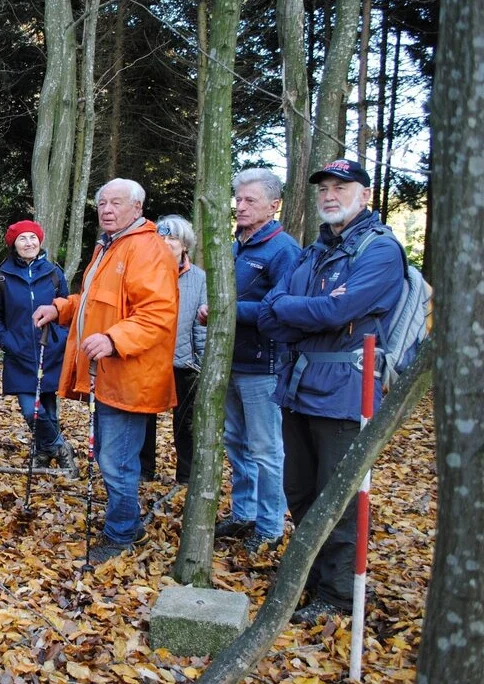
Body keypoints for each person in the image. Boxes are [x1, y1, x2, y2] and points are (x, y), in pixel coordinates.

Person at [259, 159, 405, 625]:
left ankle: (338, 596)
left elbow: (330, 310)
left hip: (346, 392)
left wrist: (299, 309)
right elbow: (268, 312)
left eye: (341, 187)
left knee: (336, 499)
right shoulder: (312, 251)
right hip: (298, 387)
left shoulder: (380, 251)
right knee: (298, 492)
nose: (329, 195)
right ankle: (313, 575)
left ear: (364, 194)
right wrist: (308, 310)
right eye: (323, 187)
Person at [33, 178, 178, 565]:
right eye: (102, 204)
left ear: (138, 207)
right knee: (111, 458)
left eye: (116, 203)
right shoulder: (109, 246)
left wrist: (115, 339)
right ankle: (125, 524)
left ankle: (121, 535)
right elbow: (97, 301)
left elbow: (158, 313)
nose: (108, 210)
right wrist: (62, 309)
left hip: (131, 376)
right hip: (108, 374)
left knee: (116, 460)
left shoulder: (148, 249)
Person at [211, 168, 300, 554]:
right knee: (236, 443)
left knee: (266, 449)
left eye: (250, 200)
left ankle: (269, 526)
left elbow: (278, 308)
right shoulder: (236, 246)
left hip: (263, 367)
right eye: (239, 199)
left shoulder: (284, 250)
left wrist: (225, 310)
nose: (240, 206)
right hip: (230, 361)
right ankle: (243, 513)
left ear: (273, 205)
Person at [0, 219, 77, 476]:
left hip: (50, 351)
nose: (29, 243)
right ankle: (60, 449)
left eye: (33, 238)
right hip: (19, 353)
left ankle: (43, 456)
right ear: (13, 245)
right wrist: (7, 342)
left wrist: (60, 338)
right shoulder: (2, 276)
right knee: (31, 410)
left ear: (40, 241)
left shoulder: (52, 272)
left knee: (49, 409)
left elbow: (65, 308)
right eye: (22, 239)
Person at [138, 215, 206, 485]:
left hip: (184, 363)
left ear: (185, 244)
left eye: (173, 238)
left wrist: (200, 361)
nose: (166, 243)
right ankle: (144, 471)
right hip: (149, 360)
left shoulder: (199, 278)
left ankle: (186, 477)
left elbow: (202, 325)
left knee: (186, 425)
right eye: (162, 237)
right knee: (144, 420)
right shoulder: (144, 272)